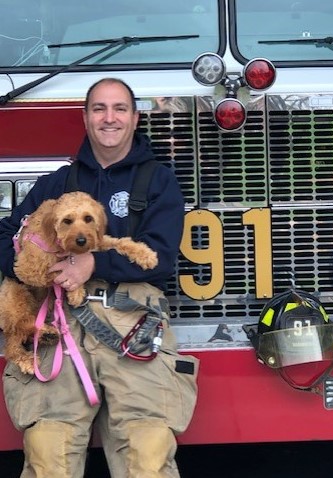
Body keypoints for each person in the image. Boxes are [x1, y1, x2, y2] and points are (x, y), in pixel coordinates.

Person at [0, 77, 198, 478]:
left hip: (133, 321)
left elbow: (159, 258)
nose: (110, 118)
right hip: (59, 322)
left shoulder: (160, 180)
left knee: (147, 454)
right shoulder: (56, 184)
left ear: (135, 118)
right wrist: (31, 267)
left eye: (120, 109)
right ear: (86, 118)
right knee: (47, 453)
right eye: (99, 109)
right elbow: (7, 235)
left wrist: (93, 265)